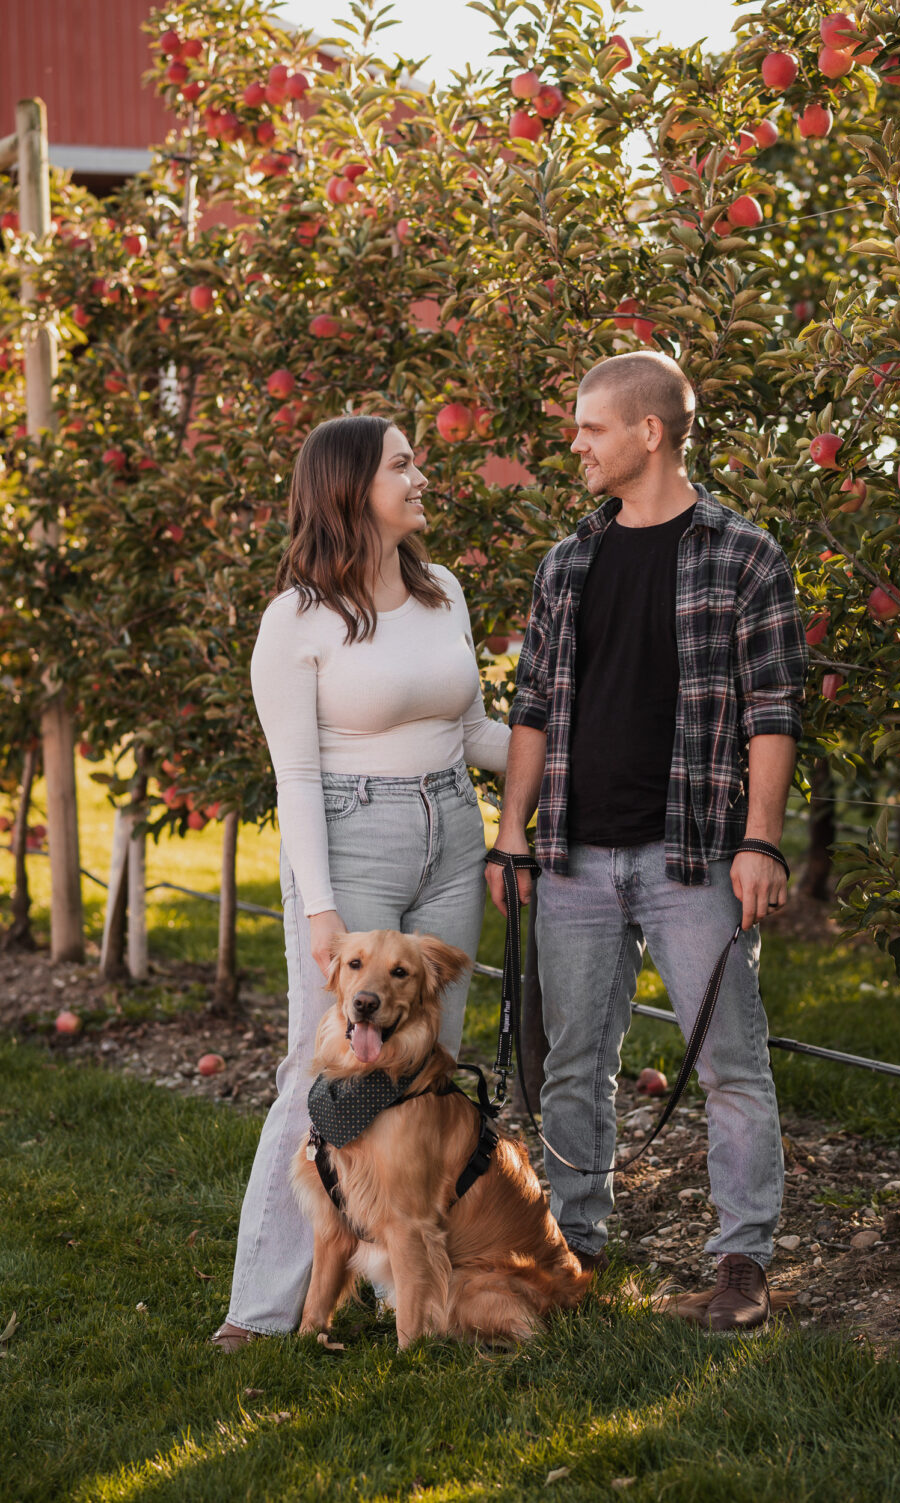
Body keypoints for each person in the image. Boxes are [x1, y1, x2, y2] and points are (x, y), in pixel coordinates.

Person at [486, 351, 807, 1332]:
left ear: (649, 432)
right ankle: (573, 1245)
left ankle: (740, 1261)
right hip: (575, 854)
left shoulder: (742, 557)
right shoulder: (567, 562)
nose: (575, 442)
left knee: (730, 1064)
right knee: (575, 1056)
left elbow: (773, 712)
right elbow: (532, 707)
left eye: (590, 427)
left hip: (696, 856)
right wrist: (510, 836)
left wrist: (761, 843)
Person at [212, 414, 509, 1350]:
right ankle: (259, 1312)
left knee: (424, 1069)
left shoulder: (443, 592)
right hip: (353, 836)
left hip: (453, 827)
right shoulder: (296, 618)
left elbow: (469, 732)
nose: (422, 475)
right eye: (402, 464)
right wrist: (323, 909)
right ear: (350, 489)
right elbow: (294, 774)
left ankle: (408, 1290)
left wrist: (569, 761)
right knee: (328, 1073)